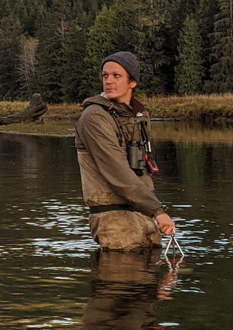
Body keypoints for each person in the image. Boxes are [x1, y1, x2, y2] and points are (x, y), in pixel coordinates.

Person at [75, 51, 178, 250]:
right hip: (113, 221)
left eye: (116, 76)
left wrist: (152, 211)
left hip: (144, 216)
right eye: (105, 76)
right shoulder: (94, 117)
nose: (109, 81)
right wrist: (158, 210)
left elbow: (143, 167)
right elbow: (117, 171)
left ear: (133, 82)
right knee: (123, 280)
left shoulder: (139, 116)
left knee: (155, 278)